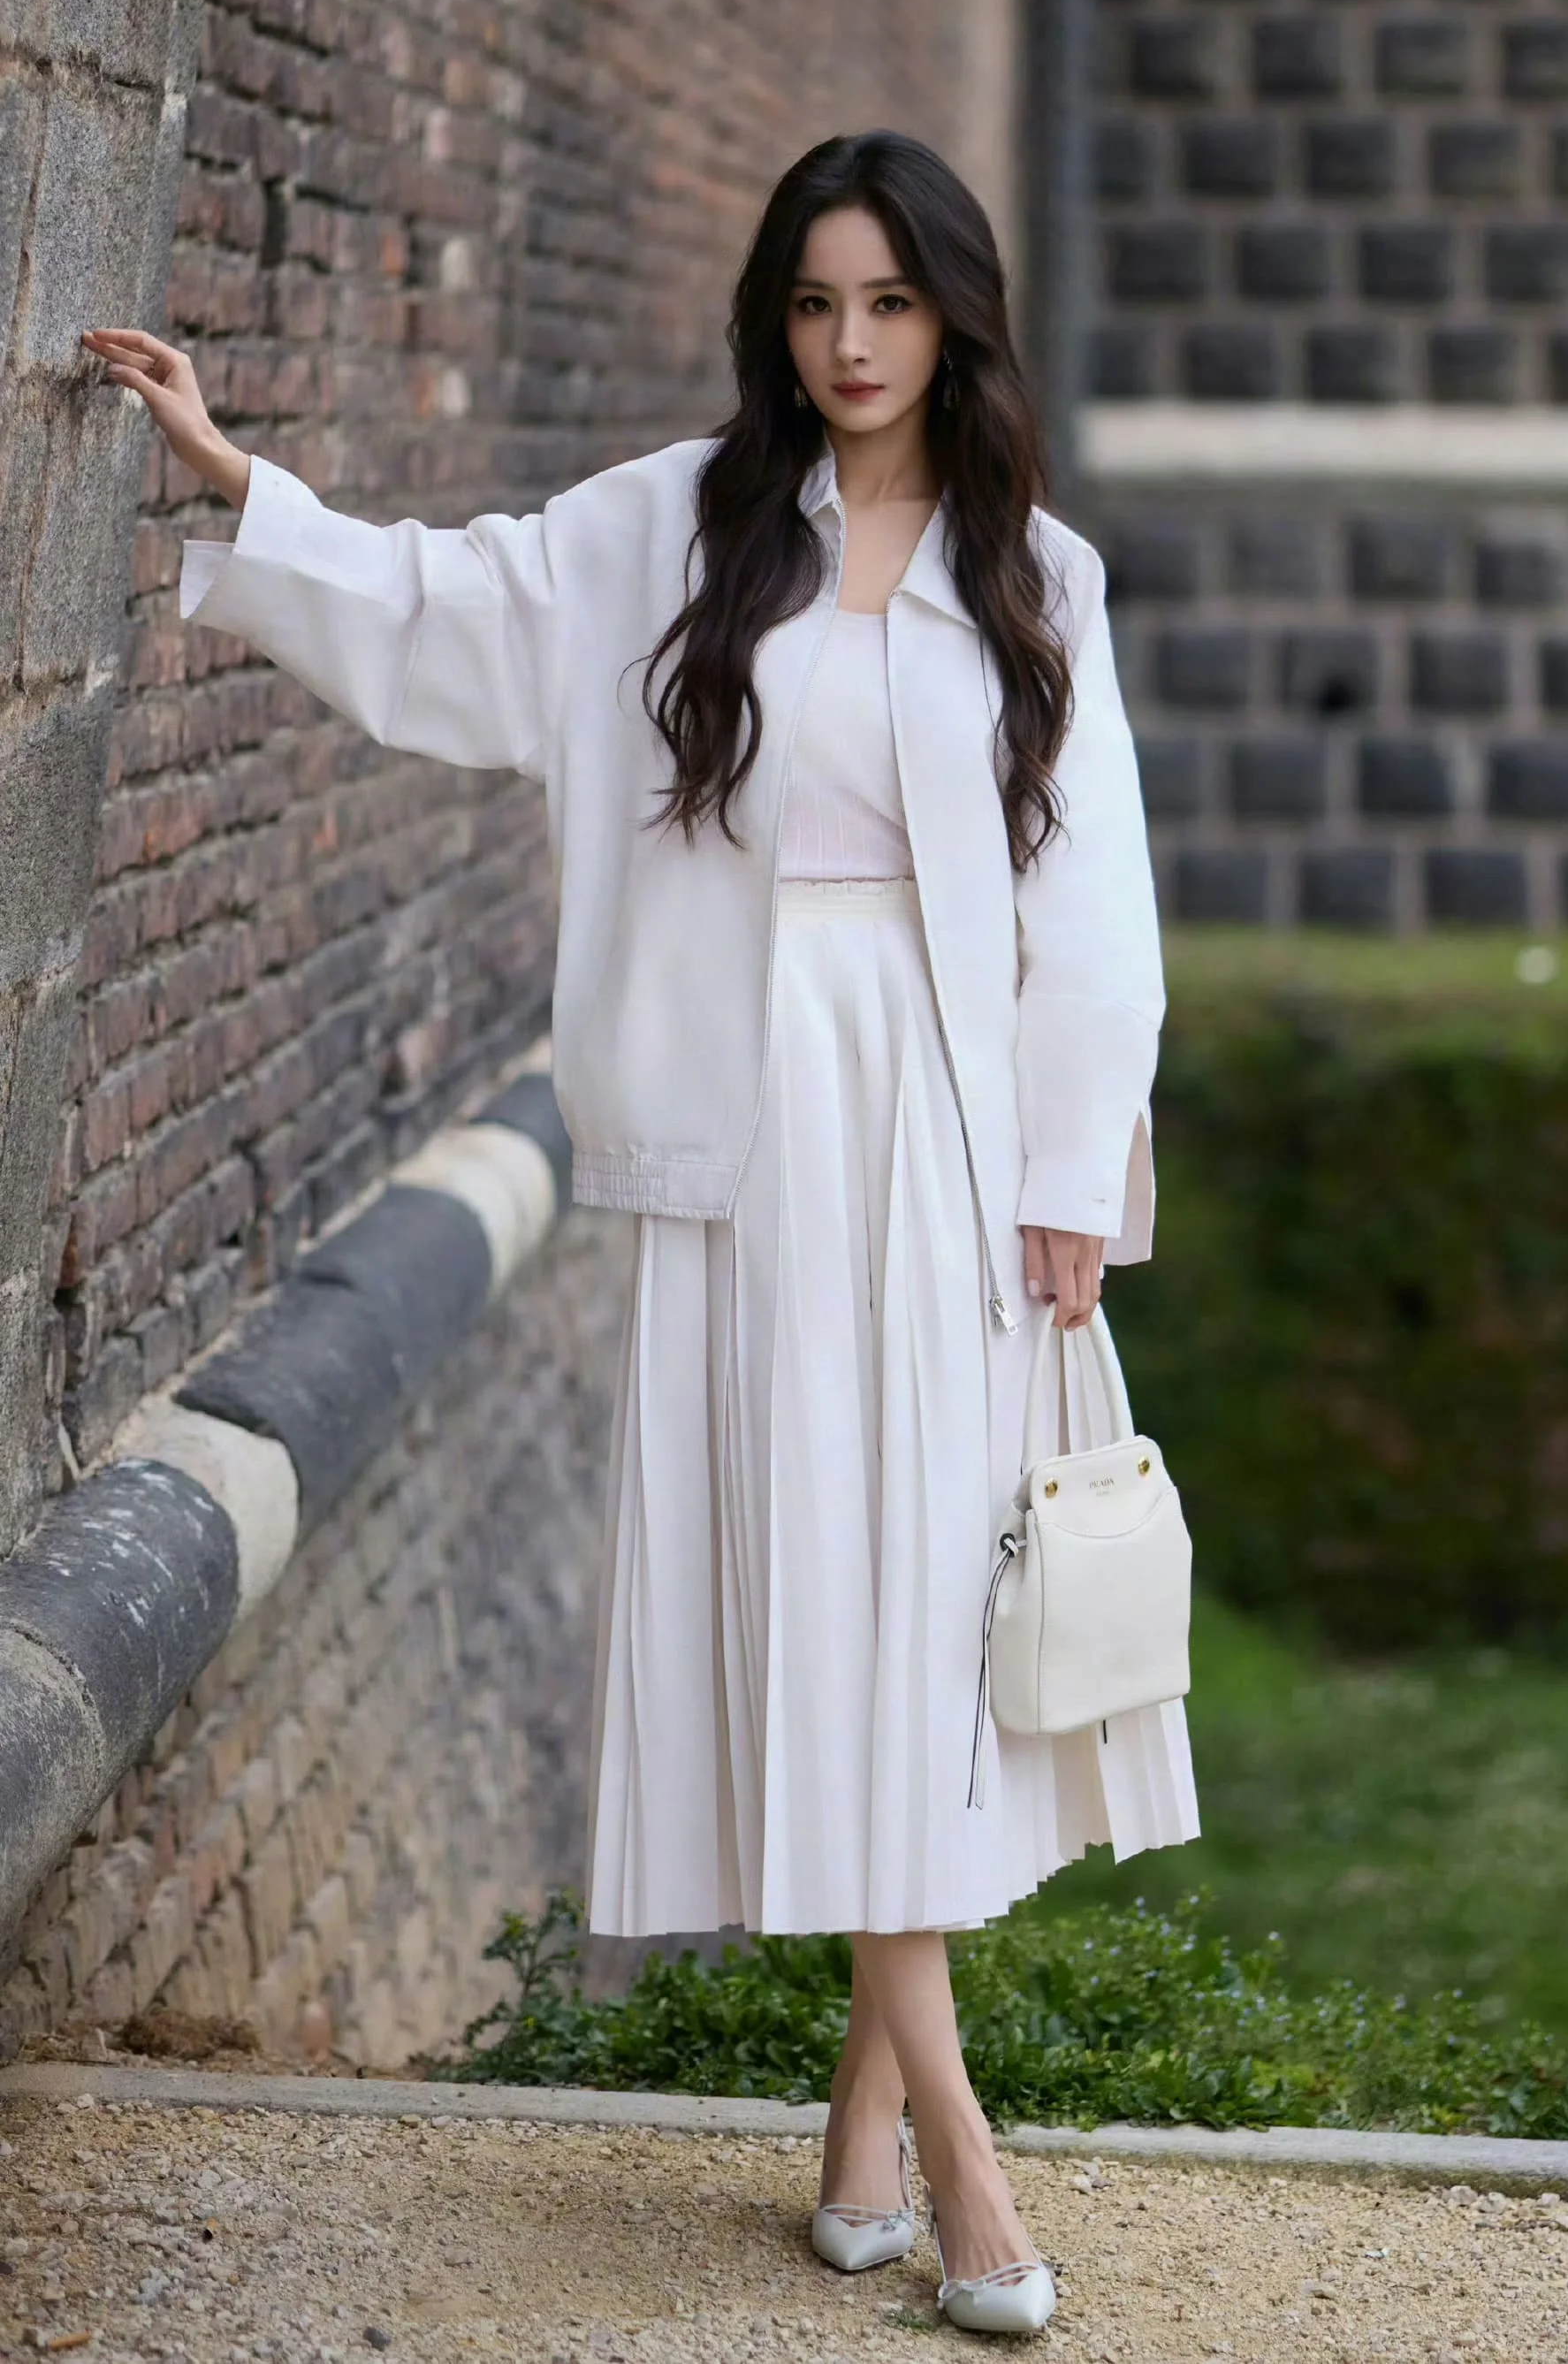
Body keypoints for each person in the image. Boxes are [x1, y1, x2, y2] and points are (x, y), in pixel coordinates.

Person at [83, 128, 1198, 2337]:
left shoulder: (1035, 574)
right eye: (816, 303)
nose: (851, 343)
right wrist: (243, 483)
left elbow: (1097, 897)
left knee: (931, 1606)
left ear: (953, 318)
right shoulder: (681, 527)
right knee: (836, 1588)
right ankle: (955, 2150)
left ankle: (873, 2130)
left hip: (962, 1126)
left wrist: (1075, 1166)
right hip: (749, 1125)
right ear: (777, 319)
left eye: (889, 303)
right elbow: (456, 606)